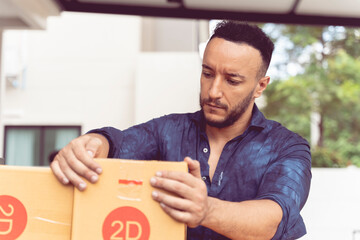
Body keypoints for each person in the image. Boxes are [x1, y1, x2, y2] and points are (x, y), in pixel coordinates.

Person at [51, 20, 311, 240]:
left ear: (260, 86)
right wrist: (93, 143)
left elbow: (272, 219)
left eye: (232, 80)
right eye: (207, 73)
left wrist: (206, 210)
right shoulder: (169, 130)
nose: (213, 91)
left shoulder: (287, 147)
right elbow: (118, 143)